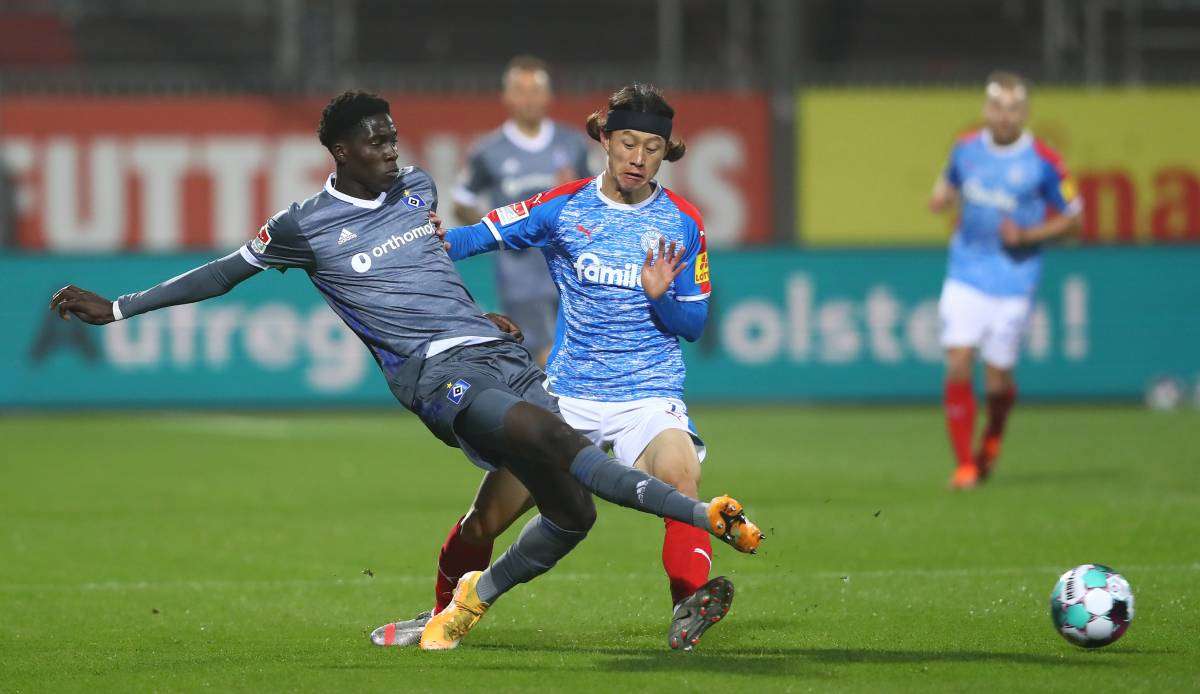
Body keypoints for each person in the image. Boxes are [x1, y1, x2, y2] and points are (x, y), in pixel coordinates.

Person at [47, 90, 763, 651]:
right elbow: (224, 273)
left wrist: (478, 316)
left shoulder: (418, 188)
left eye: (393, 135)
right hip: (436, 379)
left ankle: (453, 610)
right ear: (338, 150)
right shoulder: (303, 225)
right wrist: (119, 307)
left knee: (566, 512)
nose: (392, 148)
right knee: (551, 442)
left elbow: (426, 270)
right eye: (376, 139)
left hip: (499, 357)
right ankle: (704, 516)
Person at [372, 83, 729, 652]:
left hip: (648, 395)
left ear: (668, 152)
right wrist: (417, 240)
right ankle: (440, 613)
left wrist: (661, 296)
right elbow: (473, 237)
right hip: (564, 398)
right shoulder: (564, 206)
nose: (638, 158)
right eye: (628, 142)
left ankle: (688, 605)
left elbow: (693, 323)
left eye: (653, 147)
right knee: (485, 521)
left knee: (683, 482)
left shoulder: (684, 222)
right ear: (605, 141)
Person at [929, 71, 1082, 490]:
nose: (1005, 116)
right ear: (986, 109)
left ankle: (991, 438)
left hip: (1015, 278)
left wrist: (1029, 235)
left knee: (998, 376)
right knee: (958, 358)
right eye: (998, 107)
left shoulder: (1044, 161)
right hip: (966, 270)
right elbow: (949, 181)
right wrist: (942, 196)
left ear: (1025, 113)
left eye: (1014, 109)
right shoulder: (965, 150)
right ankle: (964, 465)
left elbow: (1074, 220)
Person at [451, 55, 591, 367]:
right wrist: (497, 234)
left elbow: (594, 198)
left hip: (571, 265)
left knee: (576, 354)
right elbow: (461, 200)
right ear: (507, 97)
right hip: (520, 275)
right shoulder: (488, 151)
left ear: (549, 96)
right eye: (520, 90)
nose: (528, 98)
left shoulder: (573, 145)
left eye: (535, 89)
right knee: (543, 355)